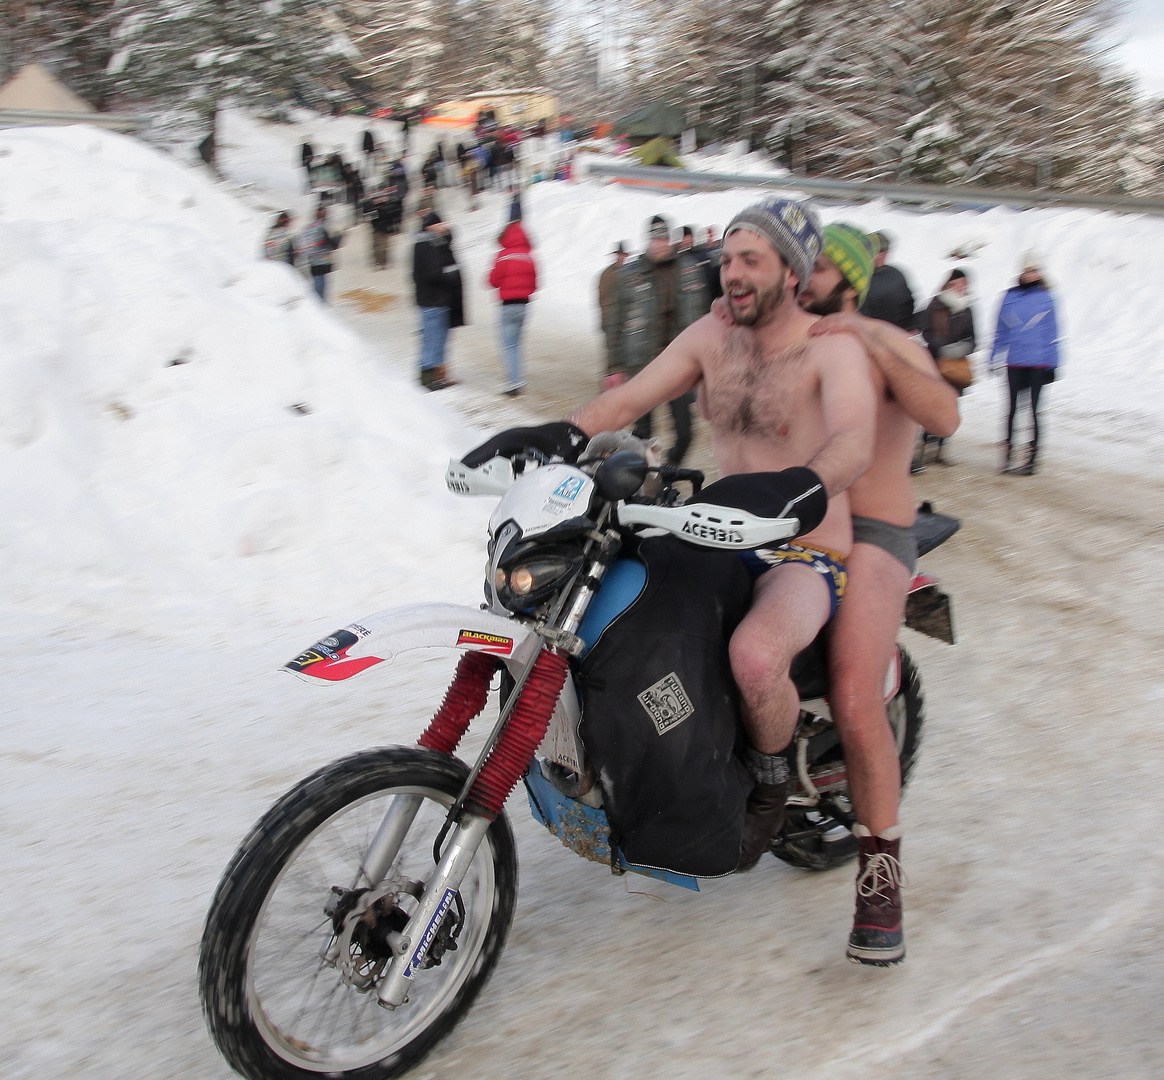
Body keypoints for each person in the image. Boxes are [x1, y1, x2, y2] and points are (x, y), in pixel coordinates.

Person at [566, 197, 876, 872]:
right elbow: (625, 402)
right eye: (728, 258)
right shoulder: (712, 337)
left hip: (805, 547)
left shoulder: (833, 349)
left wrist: (804, 489)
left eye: (751, 261)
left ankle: (768, 784)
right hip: (724, 531)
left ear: (790, 273)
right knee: (623, 616)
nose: (731, 272)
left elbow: (855, 440)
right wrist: (553, 440)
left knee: (756, 659)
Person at [793, 222, 960, 965]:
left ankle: (880, 881)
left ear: (852, 281)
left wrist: (865, 331)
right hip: (795, 529)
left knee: (857, 696)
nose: (809, 274)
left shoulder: (888, 345)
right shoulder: (791, 334)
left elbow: (944, 416)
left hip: (876, 536)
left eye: (823, 266)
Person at [607, 215, 711, 465]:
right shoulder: (630, 275)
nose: (660, 244)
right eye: (655, 239)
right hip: (642, 362)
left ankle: (670, 467)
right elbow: (614, 323)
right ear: (648, 241)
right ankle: (644, 476)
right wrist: (613, 367)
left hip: (678, 363)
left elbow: (704, 316)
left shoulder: (688, 270)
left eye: (664, 238)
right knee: (643, 431)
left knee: (686, 433)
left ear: (670, 240)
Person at [991, 254, 1060, 475]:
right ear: (1021, 272)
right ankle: (1007, 456)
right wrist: (993, 357)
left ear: (1039, 273)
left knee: (1034, 410)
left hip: (1038, 364)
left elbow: (1053, 333)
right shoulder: (1009, 298)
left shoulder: (1047, 298)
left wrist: (1053, 363)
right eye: (1028, 270)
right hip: (1015, 362)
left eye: (1035, 270)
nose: (1031, 274)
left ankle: (1031, 459)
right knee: (1011, 410)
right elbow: (1000, 332)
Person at [915, 268, 975, 466]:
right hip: (935, 362)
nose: (961, 287)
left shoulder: (967, 307)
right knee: (931, 403)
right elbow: (925, 331)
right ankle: (924, 445)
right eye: (957, 283)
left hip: (956, 365)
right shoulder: (935, 304)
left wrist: (962, 348)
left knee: (951, 405)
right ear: (949, 284)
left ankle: (941, 448)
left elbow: (974, 337)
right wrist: (942, 347)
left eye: (964, 284)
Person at [412, 211, 464, 390]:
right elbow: (432, 273)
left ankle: (439, 374)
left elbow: (447, 246)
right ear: (430, 226)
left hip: (440, 300)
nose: (444, 226)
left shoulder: (435, 243)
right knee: (432, 338)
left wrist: (446, 233)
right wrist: (449, 275)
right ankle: (427, 377)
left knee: (440, 338)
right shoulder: (425, 246)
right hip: (432, 300)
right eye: (440, 224)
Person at [487, 220, 538, 396]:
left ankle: (513, 383)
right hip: (523, 305)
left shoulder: (503, 255)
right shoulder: (529, 256)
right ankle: (518, 378)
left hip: (507, 305)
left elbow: (492, 281)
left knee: (508, 345)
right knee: (516, 344)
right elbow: (534, 283)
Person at [858, 231, 915, 330]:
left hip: (898, 334)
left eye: (884, 250)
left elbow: (908, 304)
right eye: (878, 250)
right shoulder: (858, 277)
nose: (881, 255)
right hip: (868, 333)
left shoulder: (896, 275)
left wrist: (911, 327)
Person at [597, 243, 628, 387]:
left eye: (623, 255)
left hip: (624, 321)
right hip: (610, 320)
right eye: (619, 255)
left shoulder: (629, 272)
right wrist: (608, 319)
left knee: (624, 352)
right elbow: (602, 300)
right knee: (611, 353)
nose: (621, 258)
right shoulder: (606, 275)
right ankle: (608, 385)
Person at [297, 204, 341, 302]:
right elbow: (333, 244)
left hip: (311, 259)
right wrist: (339, 236)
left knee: (317, 281)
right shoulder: (325, 227)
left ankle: (318, 302)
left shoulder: (308, 228)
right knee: (321, 284)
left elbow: (302, 243)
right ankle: (319, 304)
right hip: (323, 259)